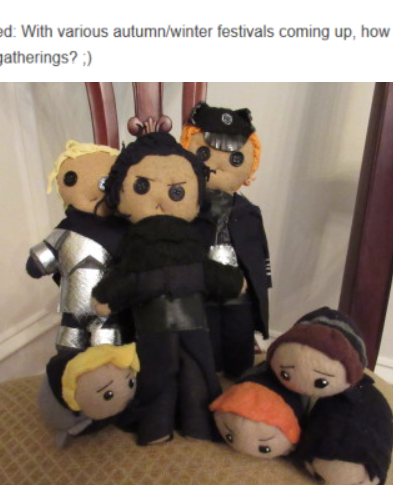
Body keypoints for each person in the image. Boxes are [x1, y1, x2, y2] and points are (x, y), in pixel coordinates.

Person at [91, 132, 245, 445]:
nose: (161, 198)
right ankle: (176, 425)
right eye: (142, 186)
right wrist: (232, 281)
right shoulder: (136, 245)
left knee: (181, 373)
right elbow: (127, 277)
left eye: (177, 191)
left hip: (178, 323)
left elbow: (204, 271)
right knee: (168, 373)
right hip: (162, 323)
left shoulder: (183, 244)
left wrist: (107, 295)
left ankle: (177, 424)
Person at [181, 103, 271, 378]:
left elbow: (259, 251)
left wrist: (262, 281)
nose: (217, 166)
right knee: (204, 334)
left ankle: (238, 372)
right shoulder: (185, 209)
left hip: (240, 288)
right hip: (201, 286)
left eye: (235, 159)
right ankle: (206, 374)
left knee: (239, 332)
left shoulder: (248, 211)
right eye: (204, 153)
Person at [26, 140, 129, 352]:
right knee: (97, 353)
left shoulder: (65, 231)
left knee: (86, 351)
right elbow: (35, 266)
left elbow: (35, 266)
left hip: (92, 311)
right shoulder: (121, 230)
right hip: (100, 311)